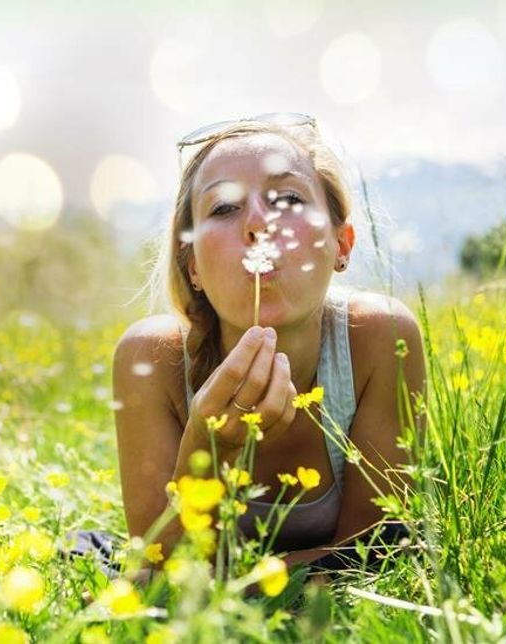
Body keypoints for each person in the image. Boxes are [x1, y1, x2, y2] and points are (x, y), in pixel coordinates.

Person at [75, 113, 426, 581]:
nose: (259, 224)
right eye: (224, 208)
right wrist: (206, 447)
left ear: (341, 244)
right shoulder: (151, 360)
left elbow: (372, 555)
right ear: (193, 267)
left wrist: (230, 584)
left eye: (288, 199)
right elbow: (163, 568)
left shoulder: (380, 338)